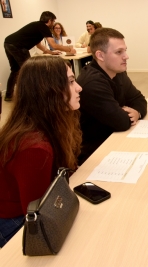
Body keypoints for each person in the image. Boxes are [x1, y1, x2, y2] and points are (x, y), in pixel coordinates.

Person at [0, 56, 82, 248]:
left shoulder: (51, 123)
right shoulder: (34, 148)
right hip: (14, 222)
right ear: (49, 91)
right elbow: (38, 217)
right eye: (71, 82)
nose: (79, 87)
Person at [77, 28, 147, 165]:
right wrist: (127, 114)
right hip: (95, 152)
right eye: (119, 52)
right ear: (100, 56)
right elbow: (121, 122)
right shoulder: (92, 83)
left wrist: (137, 112)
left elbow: (139, 99)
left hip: (115, 137)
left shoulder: (117, 71)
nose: (126, 56)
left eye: (125, 50)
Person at [3, 11, 77, 101]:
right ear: (49, 21)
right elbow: (54, 45)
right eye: (53, 22)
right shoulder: (43, 27)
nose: (53, 24)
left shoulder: (36, 26)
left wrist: (50, 52)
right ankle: (32, 97)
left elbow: (39, 45)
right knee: (29, 71)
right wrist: (69, 49)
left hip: (8, 43)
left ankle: (8, 95)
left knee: (15, 70)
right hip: (18, 46)